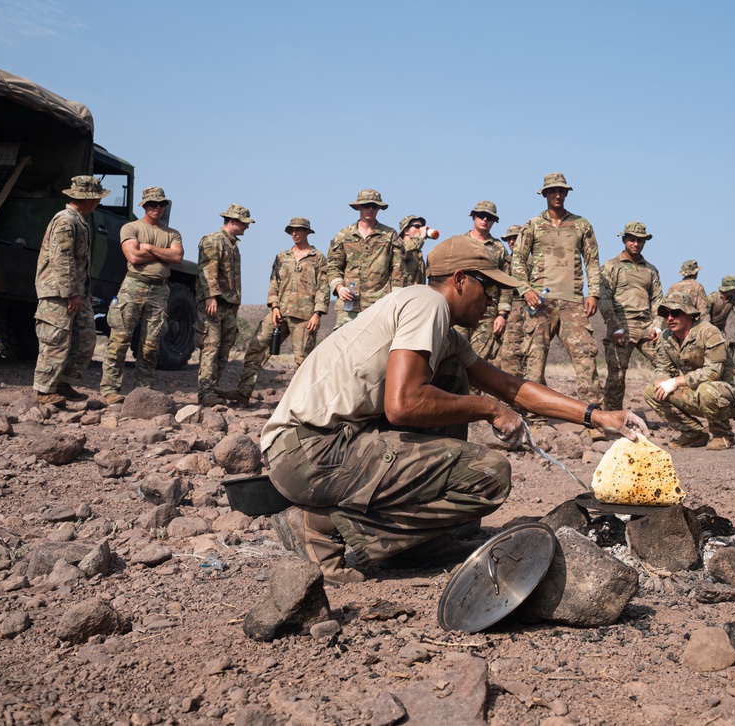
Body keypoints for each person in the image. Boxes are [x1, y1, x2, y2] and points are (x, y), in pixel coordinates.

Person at [261, 235, 648, 583]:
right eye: (488, 287)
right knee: (489, 475)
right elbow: (403, 404)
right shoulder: (425, 303)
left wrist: (598, 416)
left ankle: (413, 542)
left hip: (320, 448)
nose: (493, 300)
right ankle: (322, 527)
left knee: (452, 375)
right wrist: (488, 409)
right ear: (460, 279)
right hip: (311, 453)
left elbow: (512, 388)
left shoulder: (443, 333)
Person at [510, 173, 603, 424]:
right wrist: (525, 289)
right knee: (535, 361)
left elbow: (592, 261)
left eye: (562, 191)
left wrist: (593, 292)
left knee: (586, 359)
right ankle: (535, 418)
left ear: (567, 194)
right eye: (552, 191)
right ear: (545, 194)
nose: (558, 195)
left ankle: (595, 420)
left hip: (572, 302)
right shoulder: (532, 225)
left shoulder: (582, 224)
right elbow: (517, 259)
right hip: (540, 302)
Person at [226, 217, 329, 406]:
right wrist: (273, 306)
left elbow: (323, 287)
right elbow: (274, 283)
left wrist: (318, 313)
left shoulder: (318, 258)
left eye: (298, 230)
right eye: (291, 230)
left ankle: (299, 404)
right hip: (279, 313)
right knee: (256, 349)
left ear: (307, 232)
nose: (295, 234)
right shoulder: (282, 257)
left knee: (303, 362)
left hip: (305, 317)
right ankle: (243, 392)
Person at [100, 187, 184, 404]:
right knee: (120, 339)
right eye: (153, 204)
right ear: (144, 205)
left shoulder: (172, 233)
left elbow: (177, 256)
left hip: (159, 289)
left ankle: (143, 391)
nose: (158, 208)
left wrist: (149, 248)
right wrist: (160, 252)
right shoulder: (130, 228)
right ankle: (110, 389)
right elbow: (133, 256)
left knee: (151, 344)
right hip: (134, 286)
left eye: (161, 204)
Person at [33, 175, 109, 406]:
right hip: (59, 293)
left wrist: (82, 291)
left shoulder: (79, 220)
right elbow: (62, 259)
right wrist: (70, 293)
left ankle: (63, 384)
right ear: (89, 200)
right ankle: (45, 390)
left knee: (84, 339)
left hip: (75, 292)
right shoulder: (66, 221)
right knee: (55, 340)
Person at [644, 290, 735, 450]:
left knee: (706, 389)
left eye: (675, 313)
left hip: (728, 396)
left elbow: (713, 372)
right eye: (666, 314)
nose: (670, 318)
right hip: (696, 391)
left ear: (689, 314)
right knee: (653, 391)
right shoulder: (666, 338)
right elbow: (663, 368)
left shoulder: (709, 332)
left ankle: (723, 434)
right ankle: (693, 434)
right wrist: (661, 379)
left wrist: (676, 381)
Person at [598, 221, 663, 411]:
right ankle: (612, 417)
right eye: (632, 240)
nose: (636, 244)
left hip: (647, 327)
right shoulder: (611, 267)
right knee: (616, 377)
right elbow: (604, 299)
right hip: (621, 325)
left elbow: (658, 298)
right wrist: (614, 327)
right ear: (624, 240)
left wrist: (658, 325)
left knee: (667, 365)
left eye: (640, 241)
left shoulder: (650, 270)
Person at [195, 203, 253, 407]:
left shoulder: (232, 245)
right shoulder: (214, 240)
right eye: (244, 223)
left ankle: (212, 389)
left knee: (223, 350)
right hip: (214, 304)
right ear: (232, 221)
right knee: (211, 347)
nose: (246, 227)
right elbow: (208, 269)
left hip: (229, 306)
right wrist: (210, 296)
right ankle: (205, 392)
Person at [327, 189, 403, 328]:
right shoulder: (344, 235)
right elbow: (333, 267)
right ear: (358, 207)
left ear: (379, 208)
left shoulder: (389, 235)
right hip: (349, 306)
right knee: (345, 346)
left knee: (377, 346)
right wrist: (339, 288)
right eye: (366, 205)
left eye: (374, 206)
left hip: (380, 304)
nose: (370, 209)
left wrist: (395, 299)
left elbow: (397, 270)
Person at [455, 201, 512, 361]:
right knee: (453, 358)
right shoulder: (459, 243)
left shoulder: (499, 249)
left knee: (477, 362)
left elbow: (506, 283)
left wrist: (502, 314)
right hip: (460, 309)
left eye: (490, 217)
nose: (485, 219)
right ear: (473, 216)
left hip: (487, 312)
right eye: (481, 215)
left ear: (494, 221)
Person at [495, 225, 528, 377]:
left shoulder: (531, 261)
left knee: (514, 355)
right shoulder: (504, 261)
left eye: (515, 238)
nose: (512, 242)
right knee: (497, 356)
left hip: (522, 310)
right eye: (509, 239)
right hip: (499, 311)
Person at [656, 260, 710, 329]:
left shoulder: (673, 287)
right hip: (689, 326)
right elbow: (703, 312)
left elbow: (664, 307)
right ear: (695, 273)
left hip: (672, 326)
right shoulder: (697, 287)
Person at [399, 214, 429, 287]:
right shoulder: (399, 246)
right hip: (401, 293)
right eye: (417, 226)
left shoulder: (417, 252)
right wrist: (420, 237)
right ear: (406, 231)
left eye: (422, 227)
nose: (420, 229)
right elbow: (404, 251)